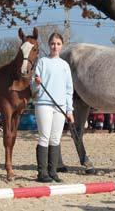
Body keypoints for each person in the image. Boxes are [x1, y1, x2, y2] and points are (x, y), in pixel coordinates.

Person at [31, 32, 74, 183]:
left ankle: (53, 171)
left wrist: (70, 110)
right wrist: (36, 83)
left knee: (55, 139)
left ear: (62, 46)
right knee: (44, 137)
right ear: (48, 45)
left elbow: (69, 89)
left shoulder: (65, 65)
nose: (55, 46)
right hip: (44, 104)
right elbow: (33, 87)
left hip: (60, 106)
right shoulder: (42, 62)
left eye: (58, 44)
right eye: (52, 43)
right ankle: (42, 173)